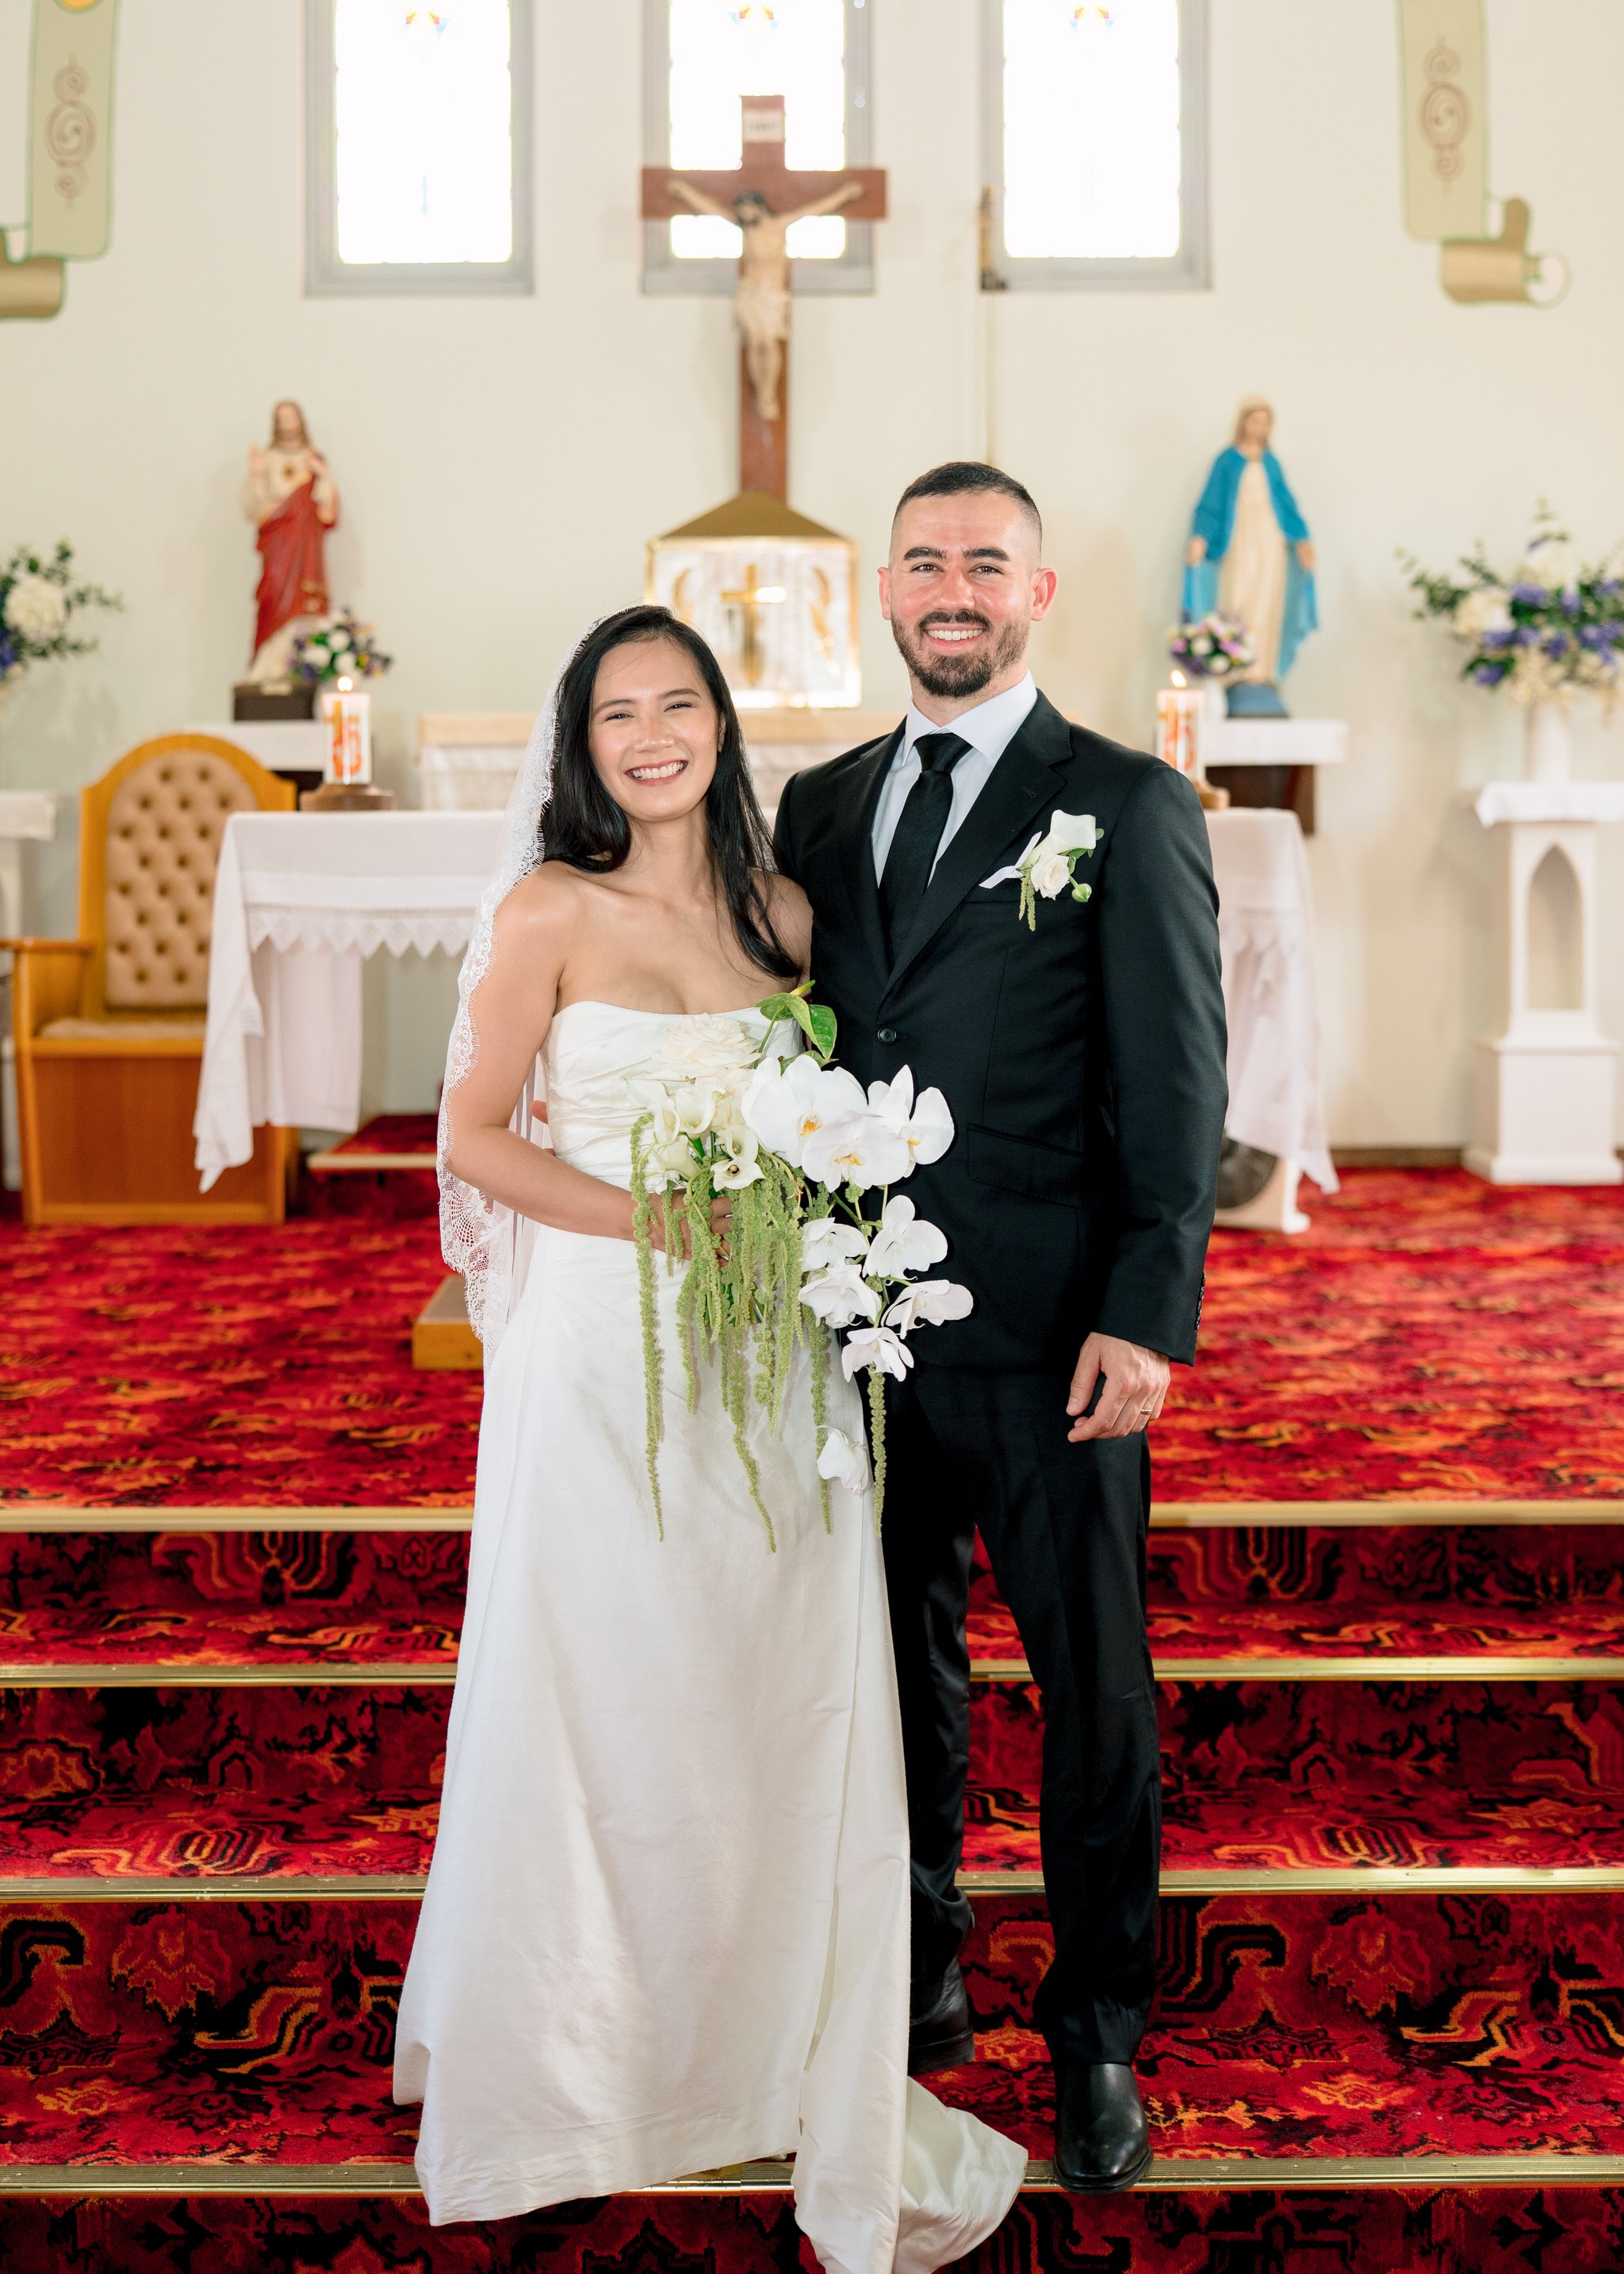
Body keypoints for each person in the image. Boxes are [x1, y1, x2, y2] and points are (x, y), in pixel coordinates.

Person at [393, 604, 1025, 2269]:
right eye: (619, 712)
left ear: (720, 728)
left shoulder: (787, 911)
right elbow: (468, 1140)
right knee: (603, 1689)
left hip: (769, 1359)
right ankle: (587, 2055)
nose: (652, 733)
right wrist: (647, 1222)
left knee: (765, 1691)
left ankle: (759, 2041)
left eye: (680, 704)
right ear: (583, 740)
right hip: (604, 1351)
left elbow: (827, 1118)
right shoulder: (546, 909)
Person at [774, 466, 1228, 2192]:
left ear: (1039, 589)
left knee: (1091, 1682)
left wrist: (1145, 1307)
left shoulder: (1119, 798)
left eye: (984, 562)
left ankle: (1100, 2024)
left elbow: (1179, 1075)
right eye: (922, 562)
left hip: (1055, 1331)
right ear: (882, 591)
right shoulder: (816, 807)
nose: (949, 588)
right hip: (859, 1328)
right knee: (889, 1672)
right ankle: (922, 1964)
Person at [1182, 397, 1318, 696]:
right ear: (1243, 422)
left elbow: (1287, 504)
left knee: (1268, 599)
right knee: (1239, 596)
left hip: (1270, 539)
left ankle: (1261, 671)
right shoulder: (1227, 460)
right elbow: (1211, 503)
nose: (1259, 427)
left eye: (1265, 422)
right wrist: (1199, 536)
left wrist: (1302, 539)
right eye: (1254, 420)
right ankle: (1236, 669)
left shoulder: (1271, 462)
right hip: (1238, 540)